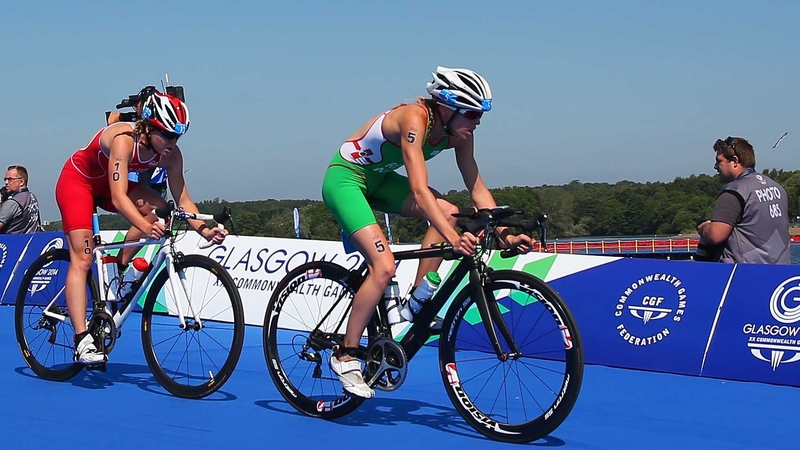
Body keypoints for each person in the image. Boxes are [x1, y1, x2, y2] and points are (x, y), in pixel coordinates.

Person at [321, 66, 533, 398]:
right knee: (385, 265)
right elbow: (420, 191)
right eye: (473, 114)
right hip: (347, 180)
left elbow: (476, 187)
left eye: (481, 115)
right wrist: (453, 239)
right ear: (447, 107)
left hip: (381, 181)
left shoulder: (460, 133)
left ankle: (417, 300)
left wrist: (504, 232)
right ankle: (346, 354)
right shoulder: (414, 119)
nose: (478, 122)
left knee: (448, 212)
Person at [55, 90, 227, 365]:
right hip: (79, 183)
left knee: (161, 209)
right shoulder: (124, 140)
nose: (173, 142)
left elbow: (182, 200)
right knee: (83, 258)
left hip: (109, 186)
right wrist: (145, 228)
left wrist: (205, 229)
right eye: (168, 134)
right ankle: (81, 339)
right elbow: (118, 198)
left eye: (178, 136)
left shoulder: (171, 155)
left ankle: (119, 269)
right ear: (148, 126)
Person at [696, 136, 790, 264]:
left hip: (745, 274)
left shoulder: (734, 192)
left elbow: (715, 235)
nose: (715, 166)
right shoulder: (777, 188)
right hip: (780, 274)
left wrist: (704, 228)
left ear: (734, 161)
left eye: (719, 161)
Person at [0, 165, 42, 234]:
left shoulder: (12, 203)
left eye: (10, 179)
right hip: (29, 241)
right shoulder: (32, 198)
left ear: (21, 182)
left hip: (10, 242)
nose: (6, 183)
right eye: (5, 179)